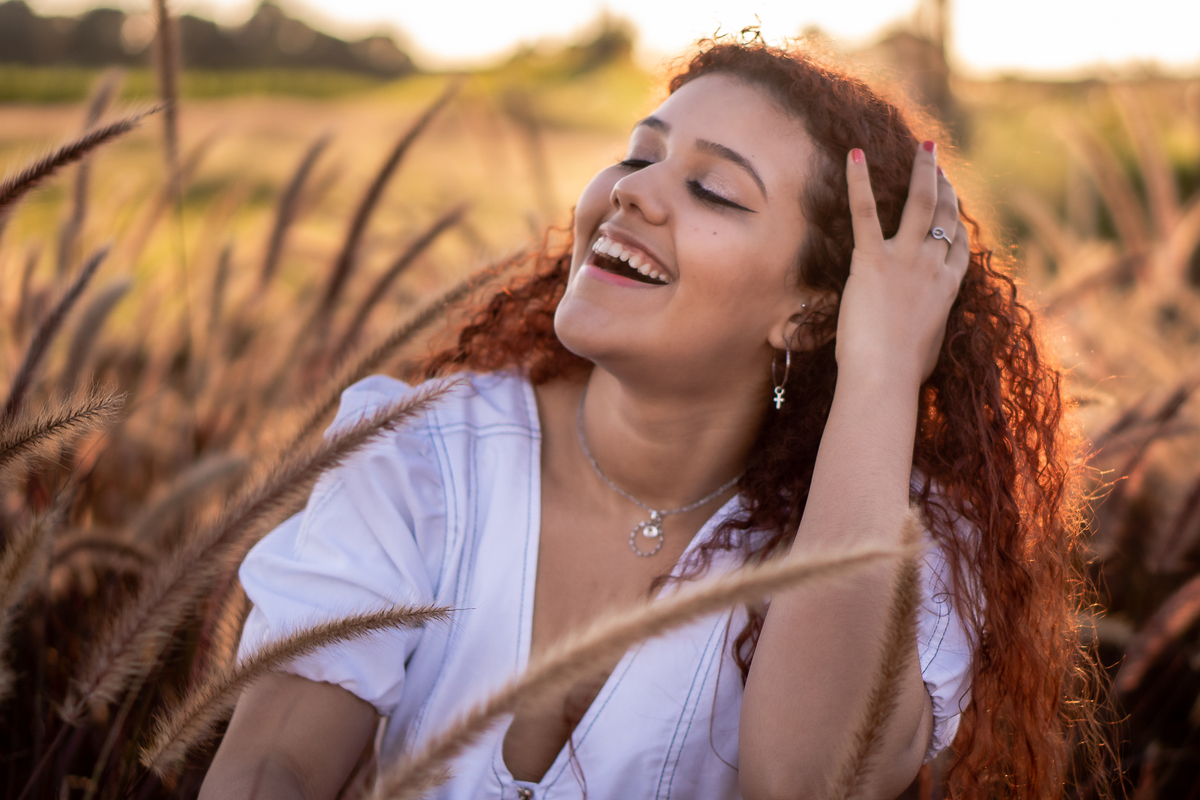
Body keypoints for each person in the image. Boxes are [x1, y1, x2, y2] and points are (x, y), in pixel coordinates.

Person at [201, 37, 1094, 800]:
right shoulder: (419, 458)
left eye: (714, 191)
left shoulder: (898, 546)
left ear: (815, 316)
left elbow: (803, 779)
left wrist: (884, 371)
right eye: (638, 156)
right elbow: (271, 766)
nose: (633, 192)